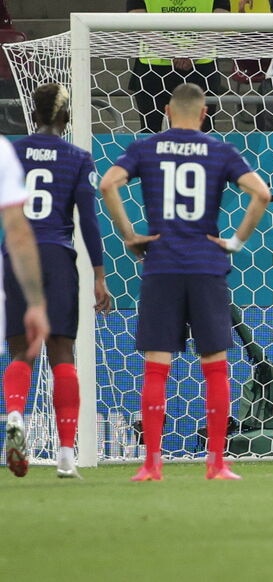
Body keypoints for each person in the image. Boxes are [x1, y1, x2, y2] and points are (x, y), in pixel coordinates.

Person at [99, 83, 271, 481]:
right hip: (207, 266)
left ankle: (152, 464)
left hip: (161, 265)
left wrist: (129, 235)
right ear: (205, 112)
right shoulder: (220, 150)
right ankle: (216, 463)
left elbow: (107, 184)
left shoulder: (146, 148)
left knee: (157, 367)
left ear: (167, 111)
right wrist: (235, 241)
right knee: (215, 366)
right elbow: (261, 193)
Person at [4, 84, 112, 480]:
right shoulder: (78, 158)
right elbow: (89, 220)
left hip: (17, 255)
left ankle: (16, 413)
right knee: (62, 354)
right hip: (58, 255)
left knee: (21, 351)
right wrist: (99, 274)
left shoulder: (12, 153)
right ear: (66, 118)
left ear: (32, 115)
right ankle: (66, 455)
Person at [0, 139, 50, 479]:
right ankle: (17, 414)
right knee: (27, 352)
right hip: (54, 251)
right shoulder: (4, 151)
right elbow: (17, 230)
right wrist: (35, 302)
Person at [127, 0, 230, 133]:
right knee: (152, 132)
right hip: (154, 68)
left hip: (200, 66)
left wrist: (195, 52)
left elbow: (222, 15)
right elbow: (136, 16)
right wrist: (176, 52)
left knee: (201, 133)